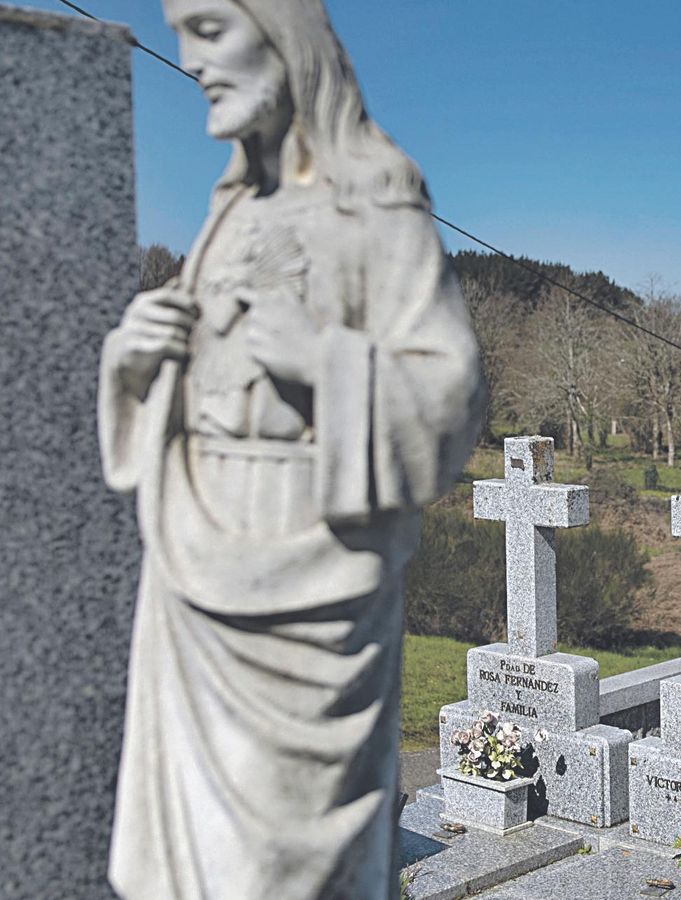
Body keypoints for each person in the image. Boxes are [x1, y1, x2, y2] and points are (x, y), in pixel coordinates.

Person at [99, 0, 485, 895]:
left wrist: (324, 362)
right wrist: (132, 365)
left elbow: (450, 385)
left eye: (208, 29)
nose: (189, 60)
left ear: (285, 38)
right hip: (191, 565)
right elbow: (197, 382)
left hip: (313, 575)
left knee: (276, 870)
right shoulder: (230, 208)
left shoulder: (375, 195)